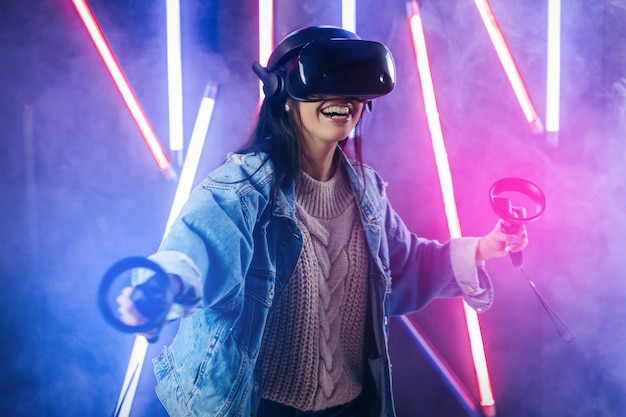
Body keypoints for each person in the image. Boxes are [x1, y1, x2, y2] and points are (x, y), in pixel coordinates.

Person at [116, 25, 527, 417]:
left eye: (353, 85)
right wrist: (160, 287)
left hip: (349, 410)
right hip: (260, 408)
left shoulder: (367, 192)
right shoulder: (242, 187)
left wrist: (484, 248)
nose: (341, 97)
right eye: (324, 81)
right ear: (284, 94)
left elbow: (402, 270)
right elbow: (197, 251)